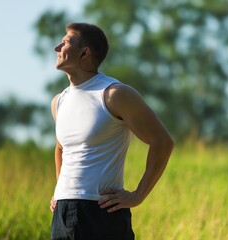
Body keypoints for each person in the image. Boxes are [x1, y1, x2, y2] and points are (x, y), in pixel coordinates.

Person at [49, 22, 174, 239]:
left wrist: (137, 195)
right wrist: (60, 191)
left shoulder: (114, 94)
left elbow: (162, 142)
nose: (57, 48)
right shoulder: (59, 101)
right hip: (62, 213)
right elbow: (61, 148)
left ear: (84, 53)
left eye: (66, 42)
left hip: (102, 212)